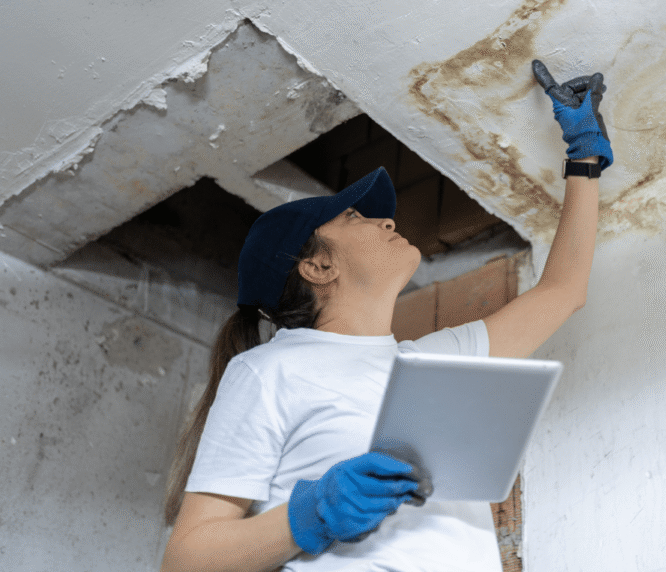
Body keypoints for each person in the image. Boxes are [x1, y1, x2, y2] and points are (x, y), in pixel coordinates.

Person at [159, 59, 614, 572]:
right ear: (317, 265)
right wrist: (311, 515)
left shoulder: (431, 365)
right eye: (355, 216)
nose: (389, 219)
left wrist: (584, 159)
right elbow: (186, 561)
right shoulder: (268, 370)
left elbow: (561, 292)